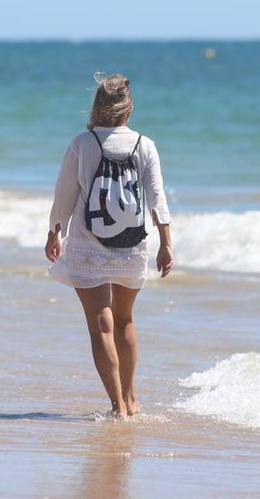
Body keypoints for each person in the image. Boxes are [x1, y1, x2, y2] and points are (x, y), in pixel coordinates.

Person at [44, 74, 173, 417]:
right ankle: (130, 399)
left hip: (89, 245)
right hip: (132, 247)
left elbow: (64, 197)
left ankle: (117, 406)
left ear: (98, 107)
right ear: (128, 109)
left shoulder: (81, 144)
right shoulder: (145, 144)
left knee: (100, 324)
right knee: (125, 320)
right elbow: (157, 198)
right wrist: (166, 243)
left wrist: (54, 232)